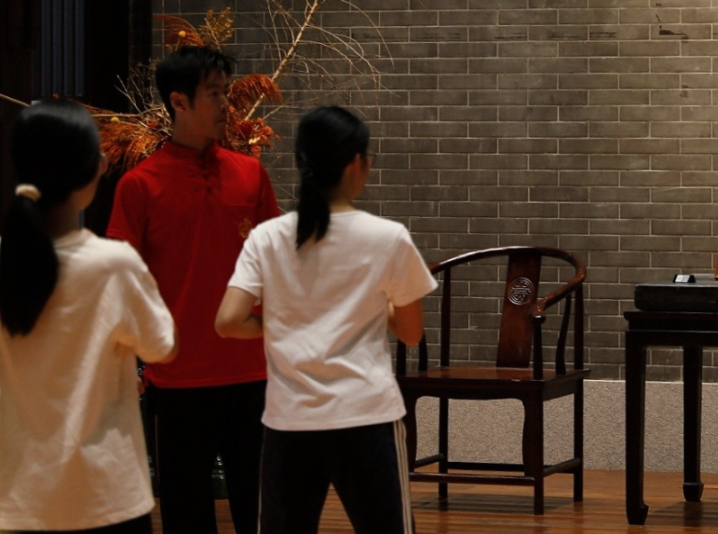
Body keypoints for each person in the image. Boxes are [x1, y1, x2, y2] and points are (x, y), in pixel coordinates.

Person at [216, 106, 437, 534]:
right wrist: (372, 306)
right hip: (366, 415)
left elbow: (228, 321)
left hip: (289, 419)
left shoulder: (267, 237)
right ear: (356, 164)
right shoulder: (388, 237)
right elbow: (412, 333)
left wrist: (279, 321)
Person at [106, 45, 279, 534]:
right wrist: (126, 359)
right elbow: (120, 280)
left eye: (226, 92)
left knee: (263, 511)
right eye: (214, 94)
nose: (227, 104)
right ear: (179, 101)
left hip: (253, 372)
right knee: (186, 513)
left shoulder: (250, 173)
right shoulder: (139, 185)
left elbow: (279, 265)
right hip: (177, 377)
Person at [0, 100, 177, 533]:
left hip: (18, 497)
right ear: (92, 169)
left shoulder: (7, 260)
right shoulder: (113, 264)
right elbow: (162, 346)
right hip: (106, 494)